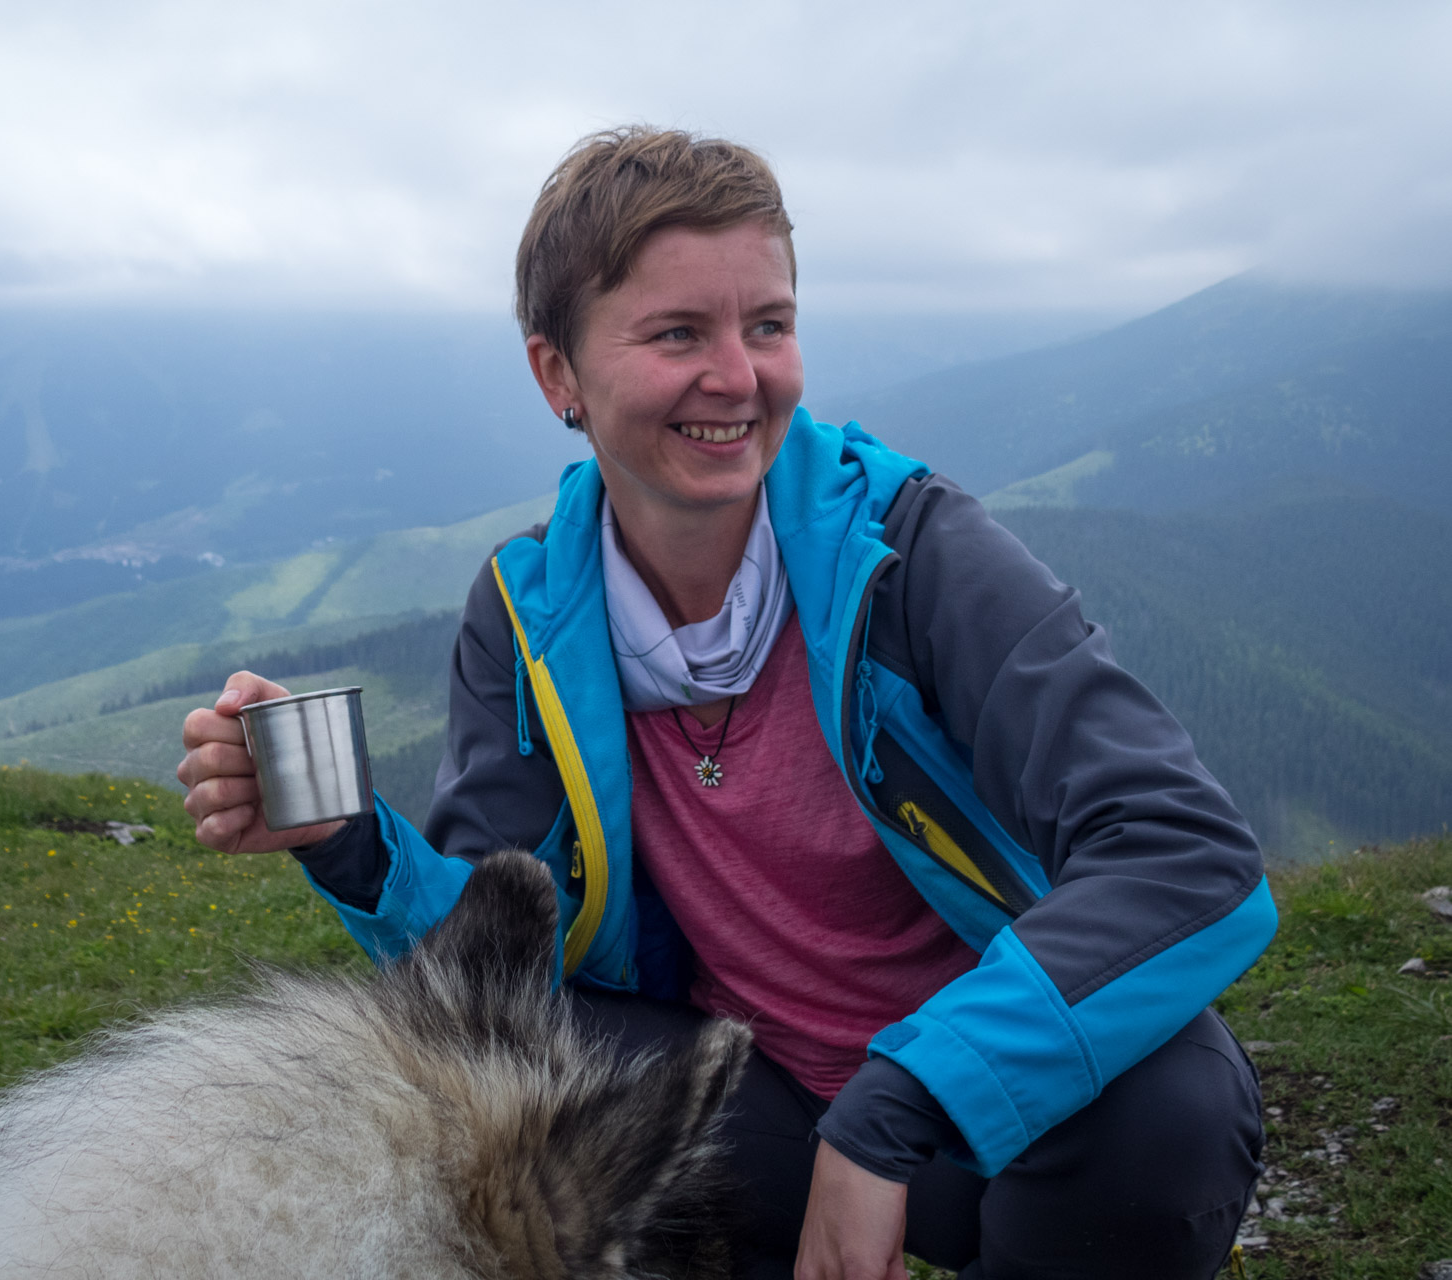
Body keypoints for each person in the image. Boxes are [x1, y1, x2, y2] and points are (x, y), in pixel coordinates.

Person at [176, 127, 1272, 1280]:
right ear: (559, 375)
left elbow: (1189, 853)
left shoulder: (909, 558)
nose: (739, 377)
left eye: (768, 325)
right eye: (676, 333)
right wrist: (347, 844)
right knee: (504, 1081)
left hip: (982, 1113)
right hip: (747, 1098)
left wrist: (899, 1102)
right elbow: (497, 955)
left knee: (1171, 1114)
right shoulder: (529, 611)